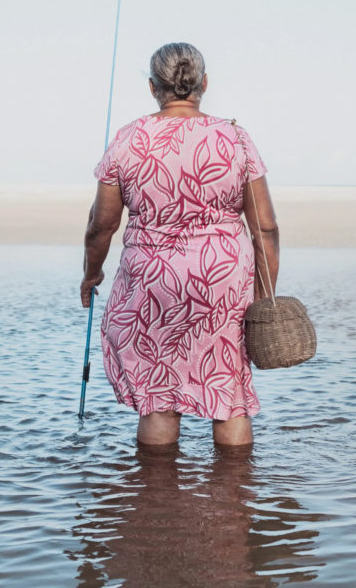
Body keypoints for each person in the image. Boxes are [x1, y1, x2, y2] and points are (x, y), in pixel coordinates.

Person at [80, 42, 279, 447]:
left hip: (150, 280)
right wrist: (264, 294)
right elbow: (265, 228)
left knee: (158, 398)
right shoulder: (235, 138)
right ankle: (235, 487)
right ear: (204, 83)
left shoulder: (129, 138)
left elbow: (102, 226)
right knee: (228, 394)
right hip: (221, 280)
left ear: (153, 87)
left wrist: (91, 274)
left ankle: (156, 488)